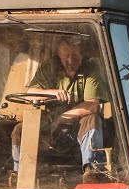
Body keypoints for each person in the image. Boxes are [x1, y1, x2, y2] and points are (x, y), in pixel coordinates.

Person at [11, 38, 109, 180]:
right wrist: (53, 92)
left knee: (92, 119)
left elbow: (92, 104)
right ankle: (19, 174)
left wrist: (60, 119)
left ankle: (92, 170)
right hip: (52, 128)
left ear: (82, 54)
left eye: (75, 56)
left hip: (78, 127)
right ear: (59, 55)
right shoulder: (50, 66)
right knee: (21, 129)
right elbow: (30, 92)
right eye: (66, 56)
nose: (70, 61)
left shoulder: (91, 68)